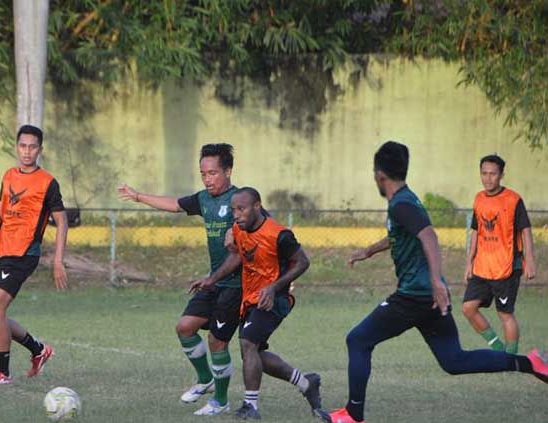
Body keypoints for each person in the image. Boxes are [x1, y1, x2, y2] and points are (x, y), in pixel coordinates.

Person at [316, 141, 548, 423]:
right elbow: (402, 235)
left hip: (415, 295)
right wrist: (368, 251)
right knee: (454, 360)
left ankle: (353, 415)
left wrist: (437, 282)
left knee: (358, 339)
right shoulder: (406, 199)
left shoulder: (401, 205)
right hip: (429, 297)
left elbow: (428, 236)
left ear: (379, 175)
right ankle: (530, 362)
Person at [118, 144, 241, 415]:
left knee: (217, 342)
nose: (208, 179)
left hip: (236, 286)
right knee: (185, 327)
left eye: (213, 173)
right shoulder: (204, 199)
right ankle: (206, 380)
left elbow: (265, 231)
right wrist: (137, 196)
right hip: (214, 282)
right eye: (203, 174)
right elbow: (174, 204)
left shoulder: (240, 200)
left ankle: (220, 401)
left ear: (228, 171)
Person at [190, 187, 322, 420]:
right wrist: (211, 279)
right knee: (255, 354)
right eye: (233, 210)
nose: (236, 214)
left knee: (248, 343)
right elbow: (238, 256)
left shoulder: (279, 234)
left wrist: (274, 287)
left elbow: (302, 262)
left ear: (257, 207)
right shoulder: (239, 230)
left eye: (241, 209)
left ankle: (250, 406)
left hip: (274, 299)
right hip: (251, 298)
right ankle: (305, 382)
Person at [0, 124, 68, 386]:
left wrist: (58, 261)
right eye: (23, 146)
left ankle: (3, 373)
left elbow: (62, 221)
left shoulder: (48, 182)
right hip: (2, 251)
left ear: (40, 149)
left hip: (24, 253)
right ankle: (38, 349)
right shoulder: (8, 176)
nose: (27, 151)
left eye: (33, 146)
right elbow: (1, 213)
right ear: (17, 147)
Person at [462, 154, 536, 353]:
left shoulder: (513, 200)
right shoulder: (479, 199)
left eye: (493, 174)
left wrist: (529, 260)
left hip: (507, 267)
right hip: (482, 266)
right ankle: (497, 347)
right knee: (468, 308)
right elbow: (476, 232)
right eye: (484, 173)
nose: (488, 178)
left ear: (501, 175)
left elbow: (526, 231)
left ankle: (511, 357)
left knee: (505, 315)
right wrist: (469, 262)